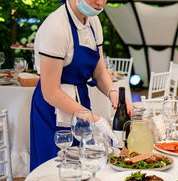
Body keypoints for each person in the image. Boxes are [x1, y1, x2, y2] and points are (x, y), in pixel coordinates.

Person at [30, 0, 131, 171]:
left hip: (80, 102)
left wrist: (114, 95)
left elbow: (99, 71)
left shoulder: (93, 21)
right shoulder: (56, 28)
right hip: (53, 111)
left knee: (81, 165)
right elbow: (50, 92)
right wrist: (94, 118)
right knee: (54, 169)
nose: (100, 2)